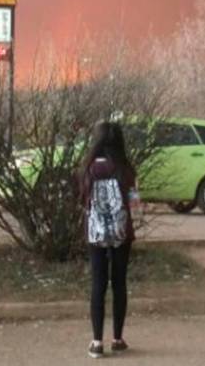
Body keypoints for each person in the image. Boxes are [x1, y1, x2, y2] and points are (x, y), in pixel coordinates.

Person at [80, 121, 140, 359]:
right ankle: (117, 339)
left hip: (95, 233)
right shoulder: (126, 169)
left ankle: (97, 342)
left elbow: (82, 199)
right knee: (119, 283)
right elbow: (135, 203)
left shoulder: (87, 169)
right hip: (121, 232)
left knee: (98, 284)